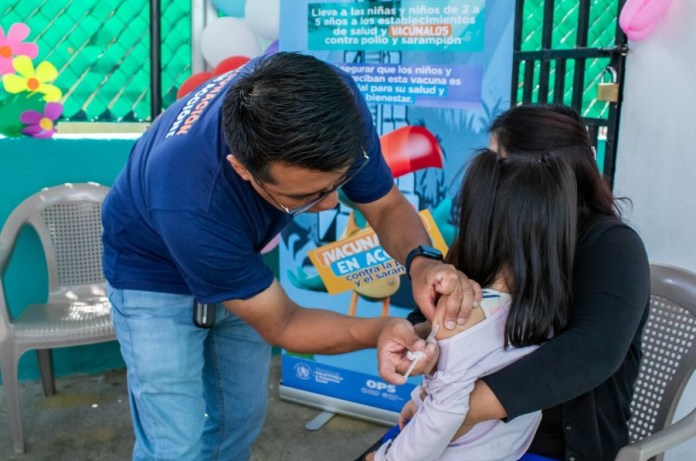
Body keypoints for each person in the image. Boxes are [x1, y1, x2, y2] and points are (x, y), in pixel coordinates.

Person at [101, 51, 480, 461]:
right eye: (306, 197)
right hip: (152, 274)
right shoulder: (190, 202)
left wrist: (423, 262)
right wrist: (380, 329)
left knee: (238, 420)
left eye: (339, 182)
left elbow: (386, 206)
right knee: (174, 443)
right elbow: (283, 322)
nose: (331, 203)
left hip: (235, 256)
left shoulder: (332, 104)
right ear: (243, 169)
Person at [404, 104, 651, 461]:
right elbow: (427, 315)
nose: (489, 178)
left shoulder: (612, 246)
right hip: (464, 436)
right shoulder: (489, 237)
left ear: (544, 178)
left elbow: (594, 349)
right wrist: (420, 341)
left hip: (556, 446)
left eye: (498, 162)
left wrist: (461, 412)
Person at [365, 149, 578, 460]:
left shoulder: (461, 314)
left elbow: (443, 417)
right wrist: (419, 400)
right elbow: (458, 378)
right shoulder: (546, 309)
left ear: (479, 225)